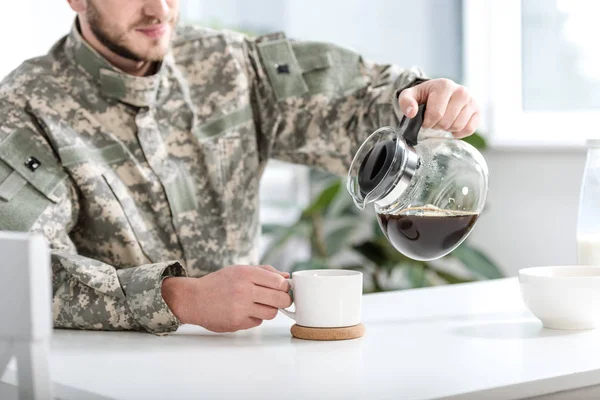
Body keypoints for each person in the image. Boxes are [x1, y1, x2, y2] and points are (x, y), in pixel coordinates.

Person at [0, 0, 480, 335]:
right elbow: (25, 274)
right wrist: (178, 298)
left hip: (247, 367)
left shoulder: (229, 63)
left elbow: (354, 106)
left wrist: (420, 97)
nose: (160, 10)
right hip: (107, 376)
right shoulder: (25, 109)